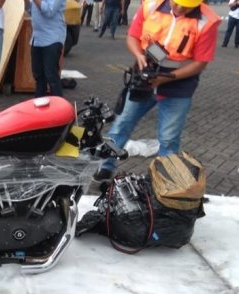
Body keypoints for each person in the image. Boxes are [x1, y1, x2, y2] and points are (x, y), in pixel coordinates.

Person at [94, 0, 220, 181]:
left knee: (169, 138)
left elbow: (200, 63)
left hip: (179, 84)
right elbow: (133, 37)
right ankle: (105, 166)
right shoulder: (151, 5)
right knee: (120, 126)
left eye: (186, 6)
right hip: (144, 76)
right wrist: (139, 56)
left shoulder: (206, 20)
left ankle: (162, 181)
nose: (179, 9)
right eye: (177, 4)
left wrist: (166, 78)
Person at [25, 0, 67, 97]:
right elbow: (29, 10)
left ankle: (59, 109)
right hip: (37, 39)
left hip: (52, 38)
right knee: (39, 78)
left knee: (51, 77)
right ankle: (40, 108)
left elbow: (49, 11)